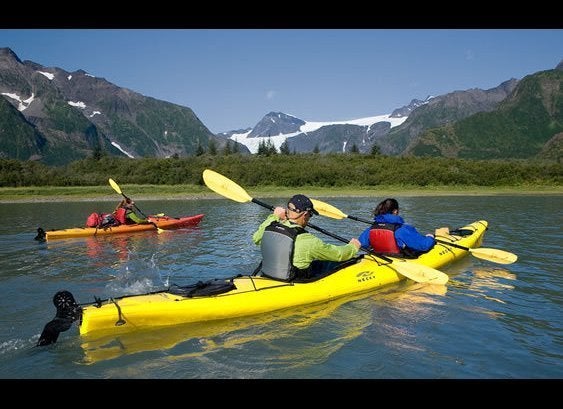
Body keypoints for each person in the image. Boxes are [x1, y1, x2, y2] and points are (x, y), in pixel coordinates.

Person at [252, 194, 361, 281]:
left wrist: (274, 216)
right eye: (310, 215)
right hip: (295, 281)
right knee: (333, 262)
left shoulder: (270, 228)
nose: (309, 218)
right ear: (305, 215)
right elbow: (339, 254)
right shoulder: (309, 241)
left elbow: (256, 239)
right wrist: (353, 247)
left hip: (268, 275)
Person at [358, 198, 435, 258]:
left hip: (380, 257)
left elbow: (361, 244)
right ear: (395, 211)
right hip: (399, 258)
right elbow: (424, 245)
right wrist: (430, 237)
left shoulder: (371, 229)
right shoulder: (402, 229)